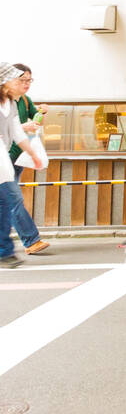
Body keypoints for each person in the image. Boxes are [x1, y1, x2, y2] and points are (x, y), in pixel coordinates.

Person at [0, 63, 47, 266]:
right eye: (19, 79)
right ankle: (15, 246)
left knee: (8, 200)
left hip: (6, 157)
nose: (23, 84)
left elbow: (17, 133)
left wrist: (33, 154)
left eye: (27, 80)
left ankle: (5, 251)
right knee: (10, 198)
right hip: (5, 156)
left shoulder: (12, 104)